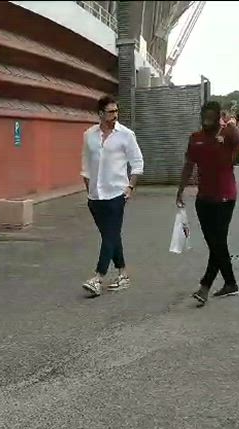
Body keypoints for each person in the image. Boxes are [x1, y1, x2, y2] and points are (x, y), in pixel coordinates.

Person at [176, 100, 239, 305]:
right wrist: (180, 190)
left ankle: (205, 286)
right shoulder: (196, 138)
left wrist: (230, 123)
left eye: (211, 116)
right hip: (204, 198)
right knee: (215, 243)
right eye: (204, 116)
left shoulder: (227, 134)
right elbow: (188, 165)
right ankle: (230, 283)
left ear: (218, 117)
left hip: (225, 197)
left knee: (218, 243)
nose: (207, 120)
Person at [80, 95, 145, 297]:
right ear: (100, 114)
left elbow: (137, 163)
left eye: (116, 111)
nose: (115, 115)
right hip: (95, 196)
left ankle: (98, 278)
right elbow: (85, 165)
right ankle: (123, 274)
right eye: (110, 112)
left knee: (109, 235)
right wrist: (89, 190)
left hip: (117, 193)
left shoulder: (126, 135)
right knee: (111, 235)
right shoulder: (89, 135)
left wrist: (130, 187)